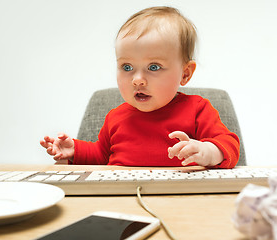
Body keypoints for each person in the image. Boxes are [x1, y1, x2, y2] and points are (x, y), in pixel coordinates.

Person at [40, 6, 240, 168]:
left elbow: (229, 144)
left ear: (185, 73)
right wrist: (74, 150)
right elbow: (101, 155)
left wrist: (208, 151)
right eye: (127, 67)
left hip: (180, 198)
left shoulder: (198, 110)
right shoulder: (115, 117)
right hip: (122, 197)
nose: (137, 80)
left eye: (153, 67)